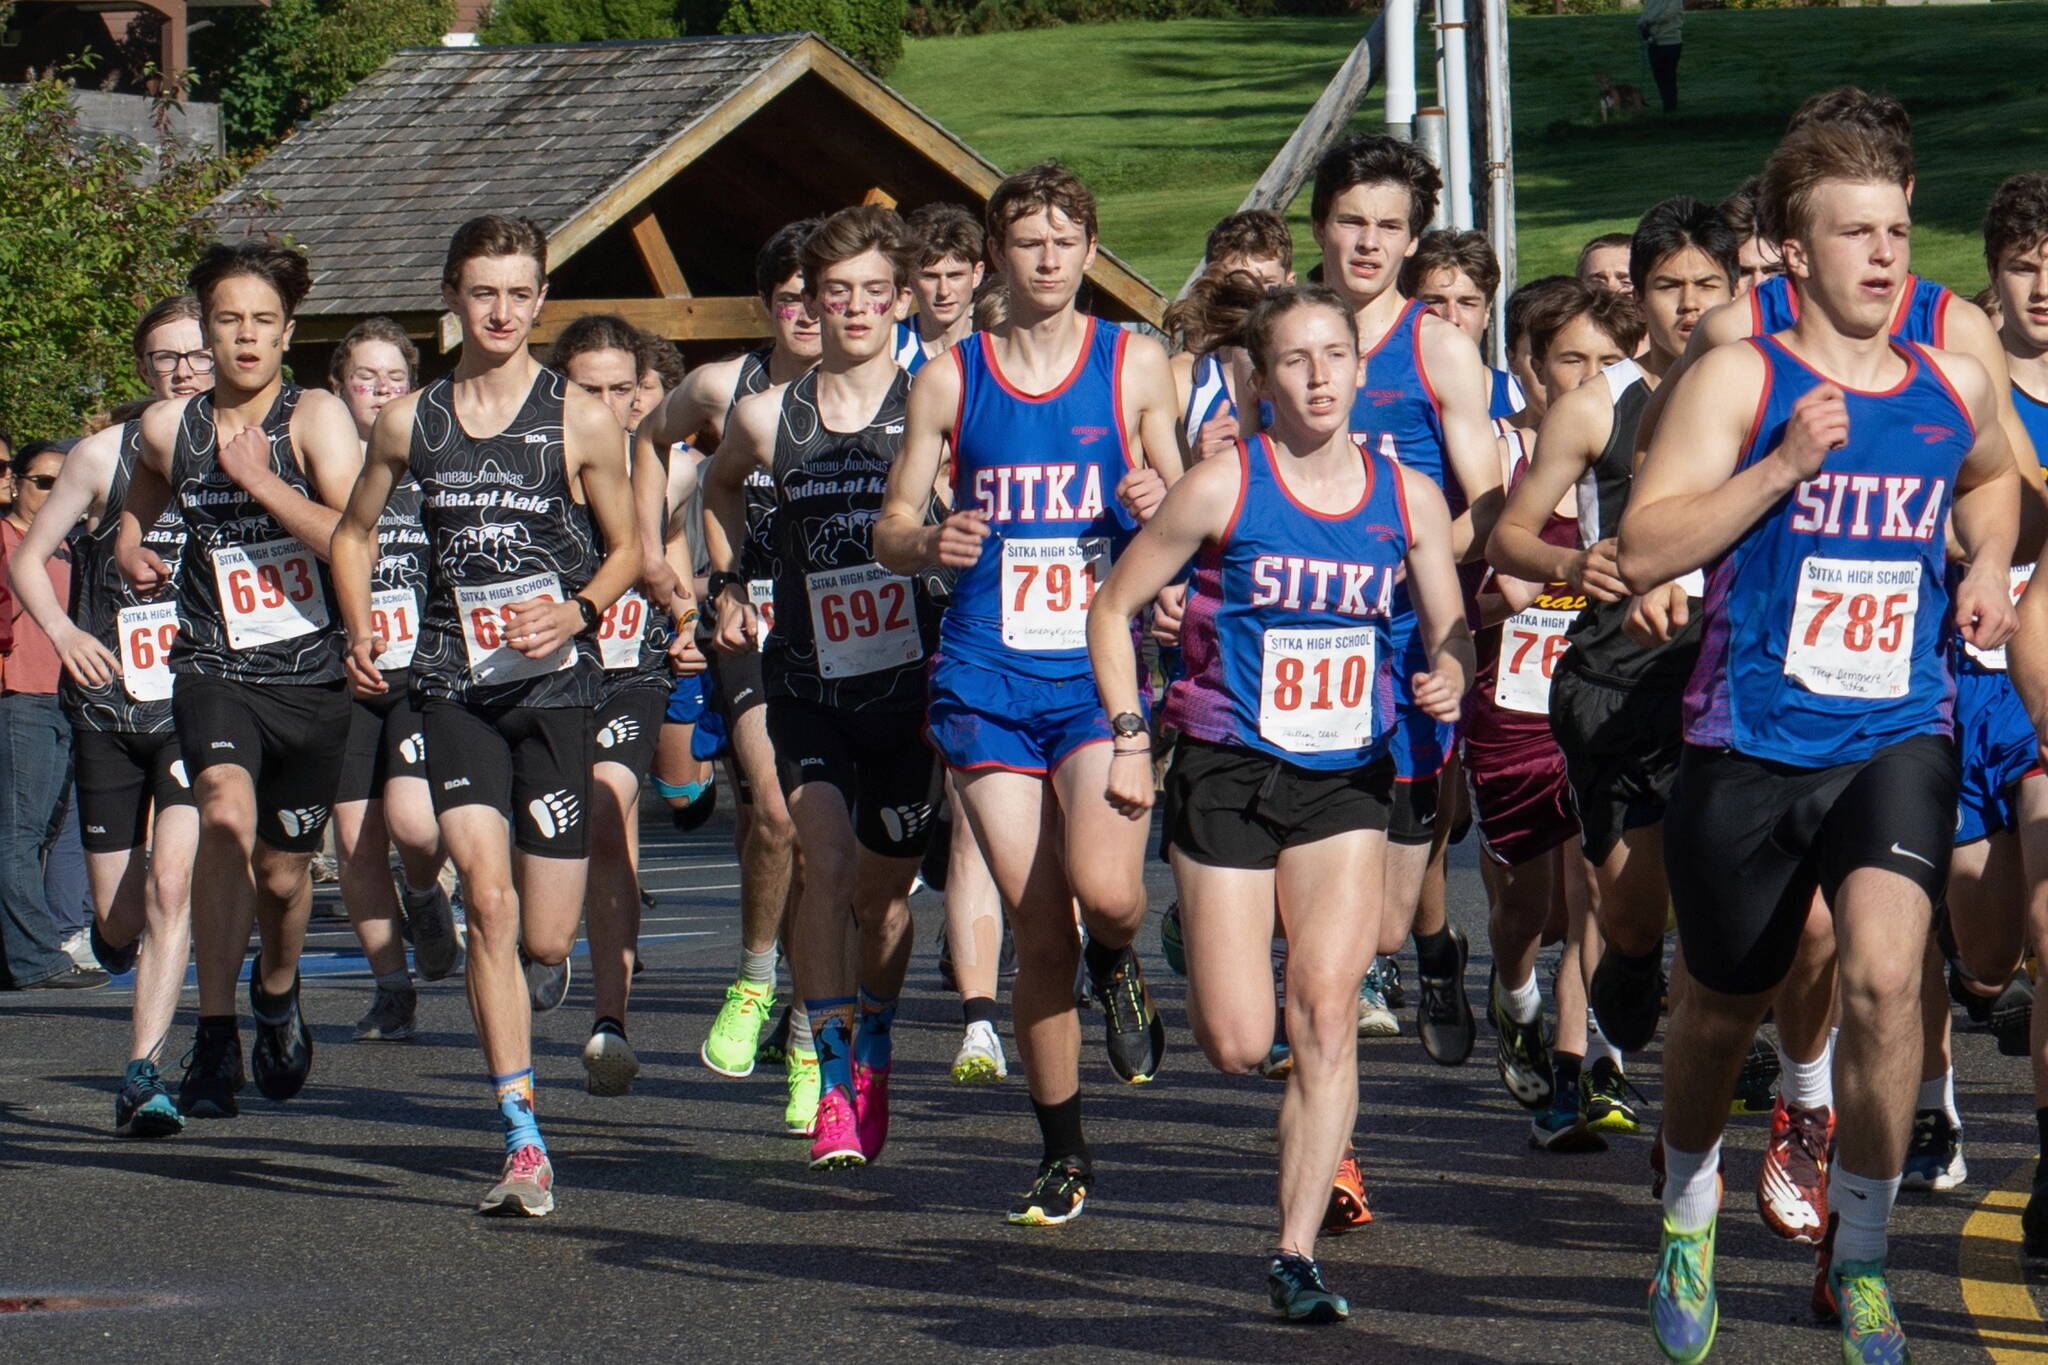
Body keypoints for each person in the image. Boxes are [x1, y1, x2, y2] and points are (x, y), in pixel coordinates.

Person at [1619, 121, 2021, 1363]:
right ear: (1792, 249)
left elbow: (1994, 477)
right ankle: (1687, 1206)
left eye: (1898, 229)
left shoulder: (1950, 379)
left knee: (1889, 981)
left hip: (1896, 726)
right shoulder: (1737, 379)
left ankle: (1858, 1255)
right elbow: (1640, 547)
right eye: (1855, 230)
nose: (1884, 252)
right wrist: (1779, 469)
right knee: (1714, 1013)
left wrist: (1990, 564)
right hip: (1749, 740)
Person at [1090, 283, 1469, 1320]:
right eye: (1293, 360)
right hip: (1224, 768)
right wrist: (1131, 739)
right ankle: (1194, 924)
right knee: (1233, 1037)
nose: (1316, 376)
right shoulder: (1222, 486)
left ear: (1358, 368)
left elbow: (1448, 630)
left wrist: (1448, 672)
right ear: (1259, 377)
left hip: (1345, 776)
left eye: (1334, 356)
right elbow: (1113, 605)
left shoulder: (1408, 498)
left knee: (1325, 1014)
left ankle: (1295, 1252)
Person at [876, 160, 1181, 1224]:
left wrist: (1156, 494)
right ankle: (1063, 1151)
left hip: (1095, 674)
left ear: (1089, 252)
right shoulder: (952, 377)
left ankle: (1122, 959)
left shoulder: (1135, 363)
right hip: (984, 671)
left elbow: (1186, 507)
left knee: (1104, 896)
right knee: (1032, 921)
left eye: (1064, 241)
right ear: (999, 258)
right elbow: (891, 525)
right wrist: (929, 540)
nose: (1047, 259)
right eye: (1027, 242)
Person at [331, 214, 644, 1216]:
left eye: (519, 292)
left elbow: (631, 547)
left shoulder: (577, 419)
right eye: (482, 291)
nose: (501, 310)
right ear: (453, 299)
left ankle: (531, 975)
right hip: (450, 683)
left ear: (539, 300)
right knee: (488, 901)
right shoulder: (409, 421)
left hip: (554, 691)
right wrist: (358, 628)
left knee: (546, 939)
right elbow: (353, 531)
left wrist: (580, 608)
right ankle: (520, 1136)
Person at [704, 205, 945, 1169]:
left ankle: (876, 1041)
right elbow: (720, 488)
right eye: (833, 292)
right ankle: (830, 1068)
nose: (852, 310)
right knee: (826, 863)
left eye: (871, 293)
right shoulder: (769, 416)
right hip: (805, 681)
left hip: (910, 685)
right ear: (811, 299)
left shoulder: (936, 402)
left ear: (900, 299)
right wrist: (727, 584)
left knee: (885, 900)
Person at [115, 242, 364, 1120]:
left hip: (310, 679)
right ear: (206, 330)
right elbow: (143, 482)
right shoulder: (169, 426)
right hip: (214, 666)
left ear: (287, 333)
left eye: (263, 321)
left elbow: (348, 539)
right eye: (229, 320)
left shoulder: (316, 417)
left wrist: (258, 479)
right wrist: (128, 539)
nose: (246, 337)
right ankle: (214, 1035)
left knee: (285, 875)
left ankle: (278, 990)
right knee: (222, 813)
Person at [1297, 133, 1502, 1063]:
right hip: (1294, 646)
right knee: (1316, 928)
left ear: (1413, 240)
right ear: (1321, 225)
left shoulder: (1441, 350)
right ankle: (1329, 1128)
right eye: (1352, 221)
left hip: (1411, 647)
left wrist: (1403, 557)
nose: (1370, 243)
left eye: (1390, 226)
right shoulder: (1282, 339)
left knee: (1377, 920)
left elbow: (1495, 510)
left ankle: (1431, 944)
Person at [5, 297, 208, 1129]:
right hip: (111, 705)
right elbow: (23, 554)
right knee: (123, 913)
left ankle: (143, 1073)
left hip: (203, 700)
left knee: (171, 884)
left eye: (196, 353)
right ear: (142, 369)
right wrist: (62, 632)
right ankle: (116, 947)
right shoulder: (100, 454)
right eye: (166, 357)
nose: (186, 368)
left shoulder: (258, 449)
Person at [634, 224, 815, 1124]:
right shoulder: (724, 386)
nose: (813, 312)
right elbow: (648, 437)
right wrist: (651, 552)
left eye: (827, 294)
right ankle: (753, 979)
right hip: (751, 621)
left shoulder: (897, 387)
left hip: (863, 631)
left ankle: (812, 1031)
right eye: (792, 297)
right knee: (775, 812)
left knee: (827, 841)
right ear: (768, 304)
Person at [1469, 281, 1643, 1151]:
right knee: (1526, 910)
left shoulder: (1640, 454)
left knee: (1595, 891)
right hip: (1512, 710)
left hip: (1602, 700)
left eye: (1610, 362)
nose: (1590, 377)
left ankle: (1578, 1070)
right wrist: (1510, 597)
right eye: (1571, 359)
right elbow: (1457, 585)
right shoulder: (1496, 460)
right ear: (1529, 368)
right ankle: (1512, 991)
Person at [550, 313, 689, 1095]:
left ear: (643, 392)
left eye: (621, 388)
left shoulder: (671, 468)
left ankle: (611, 1019)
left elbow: (694, 568)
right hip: (537, 670)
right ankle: (544, 934)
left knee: (609, 804)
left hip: (629, 668)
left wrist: (695, 615)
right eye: (587, 388)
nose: (607, 403)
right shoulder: (530, 461)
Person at [326, 317, 458, 1044]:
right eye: (364, 378)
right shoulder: (321, 470)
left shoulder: (430, 463)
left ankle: (423, 891)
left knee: (412, 821)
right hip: (346, 674)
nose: (379, 390)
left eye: (393, 378)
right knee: (353, 839)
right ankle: (391, 988)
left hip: (420, 669)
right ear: (339, 388)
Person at [1971, 171, 2048, 1257]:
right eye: (2026, 267)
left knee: (2046, 930)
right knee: (1986, 951)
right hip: (1966, 683)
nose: (2043, 286)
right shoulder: (1964, 382)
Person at [1, 438, 112, 992]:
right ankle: (35, 959)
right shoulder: (8, 542)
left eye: (61, 483)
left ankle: (24, 952)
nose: (52, 493)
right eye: (41, 482)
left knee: (46, 829)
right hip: (21, 694)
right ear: (16, 483)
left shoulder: (69, 546)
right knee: (19, 832)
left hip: (64, 696)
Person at [1402, 228, 1524, 420]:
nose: (1451, 318)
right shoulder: (1387, 397)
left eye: (1466, 303)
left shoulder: (1519, 400)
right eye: (1435, 301)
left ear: (1486, 313)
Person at [900, 201, 986, 369]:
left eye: (955, 276)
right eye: (930, 277)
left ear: (976, 274)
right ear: (910, 277)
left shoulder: (995, 353)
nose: (944, 291)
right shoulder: (887, 348)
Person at [1638, 0, 1683, 115]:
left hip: (1671, 42)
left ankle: (1671, 107)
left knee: (1669, 76)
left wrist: (1648, 21)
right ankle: (1666, 105)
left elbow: (1668, 15)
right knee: (1659, 77)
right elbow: (1645, 14)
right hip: (1653, 43)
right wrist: (1641, 22)